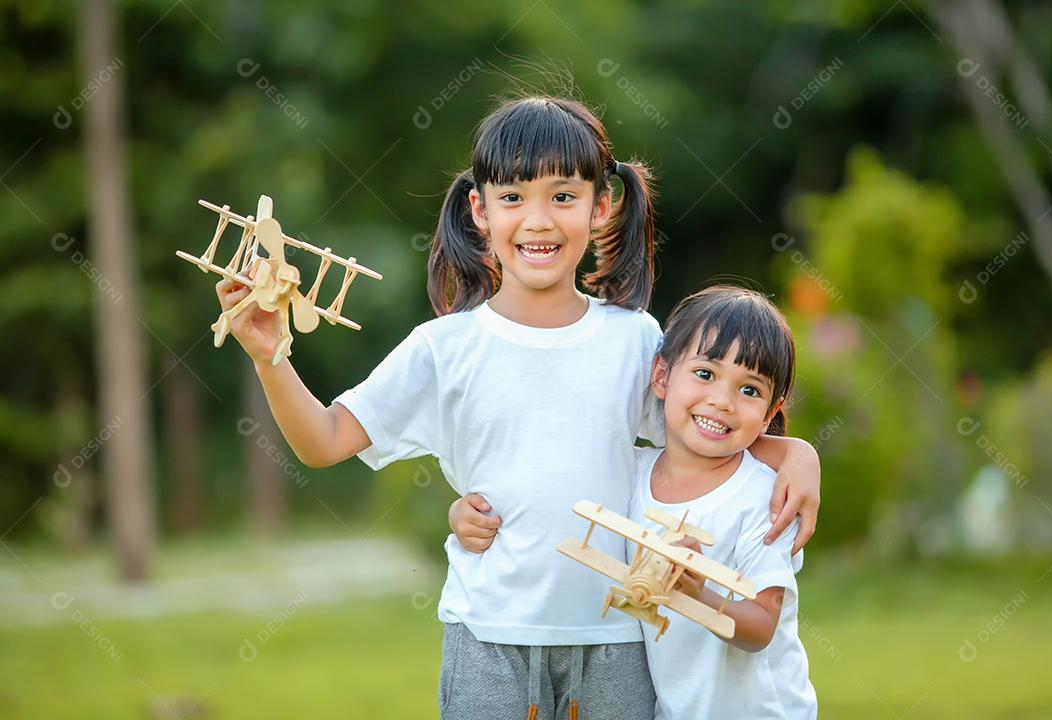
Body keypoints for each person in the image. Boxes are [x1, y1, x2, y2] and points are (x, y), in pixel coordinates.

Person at [215, 95, 819, 719]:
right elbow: (326, 439)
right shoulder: (445, 348)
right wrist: (269, 357)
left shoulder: (633, 338)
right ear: (480, 209)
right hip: (489, 637)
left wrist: (795, 453)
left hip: (615, 639)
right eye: (512, 198)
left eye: (563, 196)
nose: (539, 220)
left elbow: (703, 429)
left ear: (601, 205)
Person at [451, 285, 817, 719]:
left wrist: (698, 590)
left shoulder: (764, 497)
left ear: (771, 410)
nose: (722, 401)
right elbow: (548, 493)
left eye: (750, 390)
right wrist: (464, 513)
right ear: (661, 376)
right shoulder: (631, 474)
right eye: (705, 374)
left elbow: (762, 627)